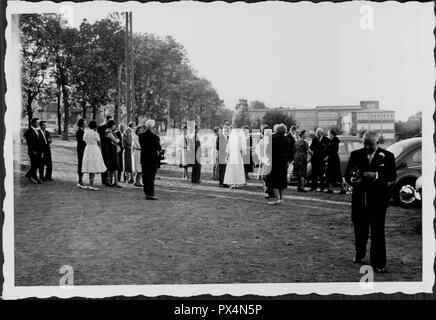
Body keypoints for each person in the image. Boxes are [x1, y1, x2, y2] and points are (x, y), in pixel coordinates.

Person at [344, 131, 396, 273]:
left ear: (377, 143)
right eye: (364, 143)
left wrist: (376, 175)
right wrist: (352, 180)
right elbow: (347, 174)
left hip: (378, 201)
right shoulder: (355, 154)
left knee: (378, 232)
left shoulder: (388, 156)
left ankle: (379, 262)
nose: (367, 147)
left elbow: (392, 176)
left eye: (370, 144)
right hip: (359, 200)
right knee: (359, 229)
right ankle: (359, 254)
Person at [265, 124, 293, 204]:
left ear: (277, 130)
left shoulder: (272, 138)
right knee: (282, 181)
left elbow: (267, 151)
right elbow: (290, 152)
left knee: (274, 181)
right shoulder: (287, 140)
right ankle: (281, 199)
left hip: (274, 162)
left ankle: (277, 199)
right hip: (284, 162)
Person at [81, 119, 107, 190]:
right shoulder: (96, 133)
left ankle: (91, 183)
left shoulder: (86, 132)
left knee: (90, 165)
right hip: (94, 149)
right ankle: (91, 184)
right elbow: (99, 143)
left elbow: (85, 141)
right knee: (93, 165)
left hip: (88, 148)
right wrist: (100, 149)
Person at [139, 119, 161, 200]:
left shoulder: (141, 136)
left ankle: (146, 192)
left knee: (145, 176)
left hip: (144, 157)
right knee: (151, 177)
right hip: (152, 158)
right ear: (153, 127)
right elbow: (158, 147)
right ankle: (150, 194)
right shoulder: (155, 137)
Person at [325, 129, 346, 194]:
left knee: (330, 174)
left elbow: (331, 150)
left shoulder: (334, 141)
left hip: (333, 160)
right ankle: (341, 188)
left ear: (331, 134)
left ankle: (332, 188)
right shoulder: (335, 140)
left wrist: (327, 156)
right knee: (336, 174)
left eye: (329, 134)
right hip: (334, 159)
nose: (328, 135)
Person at [24, 118, 43, 184]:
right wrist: (33, 150)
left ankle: (29, 175)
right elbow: (29, 142)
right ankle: (34, 177)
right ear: (33, 123)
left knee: (38, 163)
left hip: (38, 151)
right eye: (37, 122)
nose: (38, 124)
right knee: (34, 164)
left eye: (38, 122)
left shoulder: (37, 130)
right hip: (33, 151)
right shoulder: (29, 131)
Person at [309, 127, 329, 192]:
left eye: (319, 133)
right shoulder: (314, 139)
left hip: (321, 159)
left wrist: (326, 156)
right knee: (314, 174)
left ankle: (322, 188)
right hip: (315, 159)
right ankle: (313, 188)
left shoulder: (326, 139)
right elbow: (311, 147)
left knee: (321, 174)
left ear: (322, 133)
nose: (318, 134)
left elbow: (328, 150)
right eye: (317, 133)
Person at [255, 127, 273, 197]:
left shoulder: (263, 140)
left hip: (265, 159)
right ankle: (269, 188)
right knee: (270, 174)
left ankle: (266, 187)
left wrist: (261, 156)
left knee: (265, 174)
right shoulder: (272, 139)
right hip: (270, 159)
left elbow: (257, 149)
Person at [104, 120, 121, 188]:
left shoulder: (110, 132)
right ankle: (116, 182)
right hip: (111, 150)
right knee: (115, 166)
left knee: (111, 166)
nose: (115, 126)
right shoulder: (109, 132)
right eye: (114, 125)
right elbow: (116, 140)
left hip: (111, 149)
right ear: (111, 125)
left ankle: (109, 181)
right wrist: (118, 140)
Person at [97, 115, 113, 186]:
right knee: (104, 163)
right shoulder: (100, 128)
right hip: (103, 148)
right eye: (109, 120)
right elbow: (98, 138)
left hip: (110, 147)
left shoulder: (111, 128)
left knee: (110, 164)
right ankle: (104, 180)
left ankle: (109, 180)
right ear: (106, 120)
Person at [76, 118, 87, 187]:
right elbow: (81, 141)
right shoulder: (80, 132)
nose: (86, 124)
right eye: (85, 122)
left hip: (82, 149)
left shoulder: (82, 131)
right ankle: (80, 180)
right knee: (81, 163)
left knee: (82, 164)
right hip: (81, 149)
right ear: (82, 124)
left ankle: (80, 179)